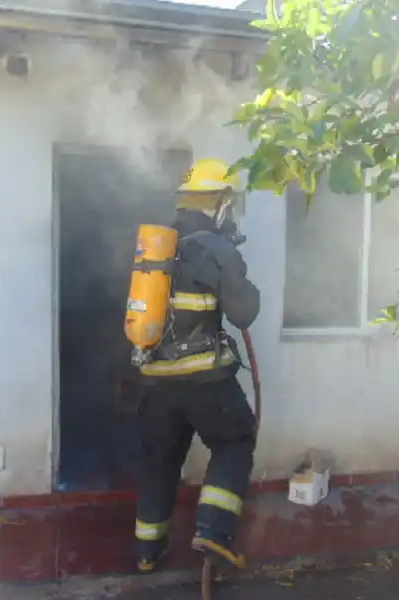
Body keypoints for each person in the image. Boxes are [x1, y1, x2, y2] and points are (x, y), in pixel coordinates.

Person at [133, 158, 261, 573]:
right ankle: (214, 530)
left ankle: (147, 552)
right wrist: (243, 280)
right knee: (235, 440)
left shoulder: (157, 247)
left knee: (160, 460)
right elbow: (243, 314)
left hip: (155, 380)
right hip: (205, 378)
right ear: (220, 201)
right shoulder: (216, 249)